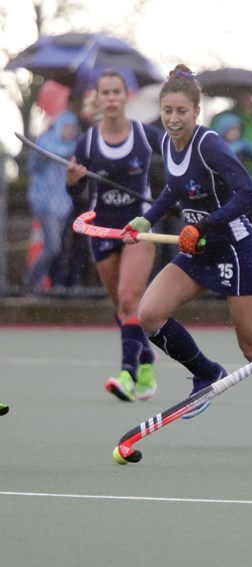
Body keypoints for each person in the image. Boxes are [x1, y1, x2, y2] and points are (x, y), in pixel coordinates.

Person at [122, 65, 252, 449]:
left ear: (197, 110)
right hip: (198, 250)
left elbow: (250, 194)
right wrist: (146, 219)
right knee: (149, 314)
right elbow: (174, 189)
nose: (173, 118)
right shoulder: (168, 143)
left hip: (236, 251)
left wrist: (204, 225)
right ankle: (206, 375)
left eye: (181, 111)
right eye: (167, 110)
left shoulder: (210, 144)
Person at [66, 70, 162, 402]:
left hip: (139, 229)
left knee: (128, 300)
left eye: (116, 92)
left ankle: (128, 374)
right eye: (104, 92)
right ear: (98, 98)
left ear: (126, 97)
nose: (110, 98)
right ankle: (147, 360)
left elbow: (178, 160)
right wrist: (73, 181)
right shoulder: (89, 141)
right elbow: (76, 195)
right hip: (102, 228)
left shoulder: (145, 134)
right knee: (122, 308)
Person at [24, 102, 80, 293]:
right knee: (53, 246)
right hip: (43, 201)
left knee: (56, 247)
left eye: (73, 128)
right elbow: (33, 166)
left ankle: (38, 283)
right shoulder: (46, 141)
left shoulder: (73, 147)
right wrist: (42, 155)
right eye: (67, 127)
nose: (70, 131)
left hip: (62, 203)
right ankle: (32, 280)